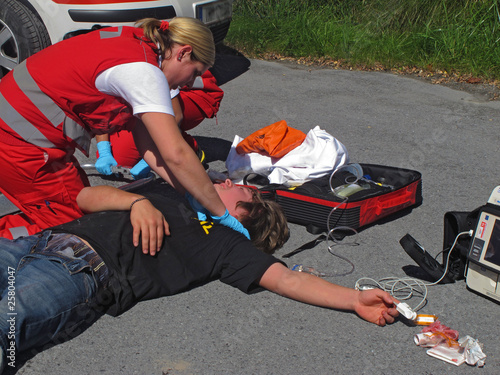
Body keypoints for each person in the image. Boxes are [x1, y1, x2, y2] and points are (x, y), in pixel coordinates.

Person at [0, 181, 399, 372]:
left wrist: (353, 298)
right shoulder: (170, 196)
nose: (224, 181)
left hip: (81, 272)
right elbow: (85, 198)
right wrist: (137, 202)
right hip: (32, 244)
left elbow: (289, 280)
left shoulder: (227, 246)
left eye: (234, 186)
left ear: (247, 211)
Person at [0, 17, 244, 240]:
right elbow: (175, 154)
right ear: (184, 53)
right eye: (195, 73)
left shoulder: (138, 43)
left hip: (23, 130)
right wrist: (220, 211)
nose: (190, 83)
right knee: (72, 229)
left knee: (77, 205)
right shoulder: (144, 72)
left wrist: (190, 191)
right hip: (19, 142)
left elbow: (150, 144)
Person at [94, 70, 224, 179]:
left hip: (190, 91)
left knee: (151, 118)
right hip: (146, 92)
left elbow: (176, 115)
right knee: (120, 159)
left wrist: (156, 155)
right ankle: (171, 144)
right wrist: (103, 148)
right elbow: (101, 108)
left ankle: (186, 149)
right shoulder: (98, 64)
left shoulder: (145, 59)